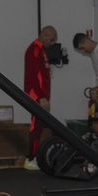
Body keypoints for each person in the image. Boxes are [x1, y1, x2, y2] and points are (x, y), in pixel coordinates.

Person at [23, 25, 56, 170]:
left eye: (54, 39)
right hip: (36, 95)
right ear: (45, 35)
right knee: (36, 126)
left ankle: (33, 158)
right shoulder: (34, 49)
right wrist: (41, 97)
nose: (53, 42)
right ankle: (31, 159)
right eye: (52, 38)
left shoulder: (41, 50)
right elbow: (33, 75)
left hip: (41, 95)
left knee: (39, 126)